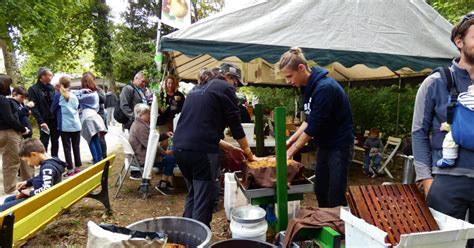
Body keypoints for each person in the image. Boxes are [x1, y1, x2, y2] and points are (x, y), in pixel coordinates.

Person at [412, 12, 474, 235]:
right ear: (459, 42)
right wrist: (426, 179)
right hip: (447, 180)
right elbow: (418, 132)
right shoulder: (435, 82)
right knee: (442, 242)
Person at [172, 67, 257, 228]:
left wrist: (230, 148)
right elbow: (235, 125)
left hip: (180, 149)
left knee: (193, 194)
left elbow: (201, 129)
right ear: (229, 77)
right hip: (201, 152)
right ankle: (199, 241)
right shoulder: (225, 88)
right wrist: (249, 153)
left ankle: (186, 239)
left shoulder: (196, 89)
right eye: (236, 83)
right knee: (205, 198)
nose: (235, 87)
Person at [281, 47, 354, 208]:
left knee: (335, 193)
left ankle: (337, 228)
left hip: (339, 146)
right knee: (320, 189)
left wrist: (291, 151)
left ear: (301, 68)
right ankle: (324, 222)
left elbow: (314, 126)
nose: (288, 81)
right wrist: (290, 141)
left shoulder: (324, 88)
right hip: (325, 145)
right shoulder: (306, 87)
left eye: (289, 76)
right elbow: (309, 119)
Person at [0, 138, 67, 212]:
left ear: (34, 154)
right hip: (43, 198)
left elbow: (46, 190)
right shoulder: (52, 162)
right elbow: (42, 177)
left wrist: (30, 192)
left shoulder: (47, 168)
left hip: (41, 201)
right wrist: (27, 182)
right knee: (8, 199)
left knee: (3, 208)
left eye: (27, 160)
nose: (28, 164)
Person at [0, 75, 30, 194]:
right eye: (9, 84)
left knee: (22, 158)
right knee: (11, 162)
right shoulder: (2, 99)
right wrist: (23, 129)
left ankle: (28, 181)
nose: (11, 87)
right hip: (8, 133)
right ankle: (11, 189)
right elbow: (9, 118)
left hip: (7, 133)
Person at [128, 104, 173, 182]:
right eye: (148, 113)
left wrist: (165, 135)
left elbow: (151, 139)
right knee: (171, 159)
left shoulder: (139, 124)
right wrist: (164, 153)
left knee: (170, 157)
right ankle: (164, 183)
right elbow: (150, 145)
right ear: (141, 114)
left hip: (140, 156)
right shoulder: (140, 127)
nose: (150, 115)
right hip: (143, 159)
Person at [51, 76, 82, 177]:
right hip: (76, 124)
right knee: (76, 147)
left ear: (60, 84)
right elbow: (78, 108)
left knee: (67, 148)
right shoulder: (74, 95)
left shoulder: (58, 95)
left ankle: (70, 170)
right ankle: (78, 167)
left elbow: (52, 109)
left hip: (65, 125)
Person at [75, 73, 107, 164]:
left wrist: (81, 91)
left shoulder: (87, 95)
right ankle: (100, 159)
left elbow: (73, 97)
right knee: (96, 139)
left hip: (87, 117)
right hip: (95, 116)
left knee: (91, 140)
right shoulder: (96, 93)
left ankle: (96, 160)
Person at [28, 68, 60, 157]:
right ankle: (43, 159)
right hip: (44, 120)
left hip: (55, 119)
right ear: (42, 76)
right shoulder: (33, 89)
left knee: (55, 140)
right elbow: (34, 106)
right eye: (49, 75)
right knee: (44, 140)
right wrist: (40, 121)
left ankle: (55, 158)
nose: (51, 77)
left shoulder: (52, 88)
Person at [10, 86, 35, 181]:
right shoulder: (12, 103)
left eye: (24, 98)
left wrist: (27, 111)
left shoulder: (19, 104)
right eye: (21, 97)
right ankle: (24, 174)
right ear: (14, 94)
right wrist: (27, 107)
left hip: (27, 132)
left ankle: (28, 174)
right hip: (21, 132)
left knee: (28, 153)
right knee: (23, 154)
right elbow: (18, 115)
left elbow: (23, 114)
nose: (23, 99)